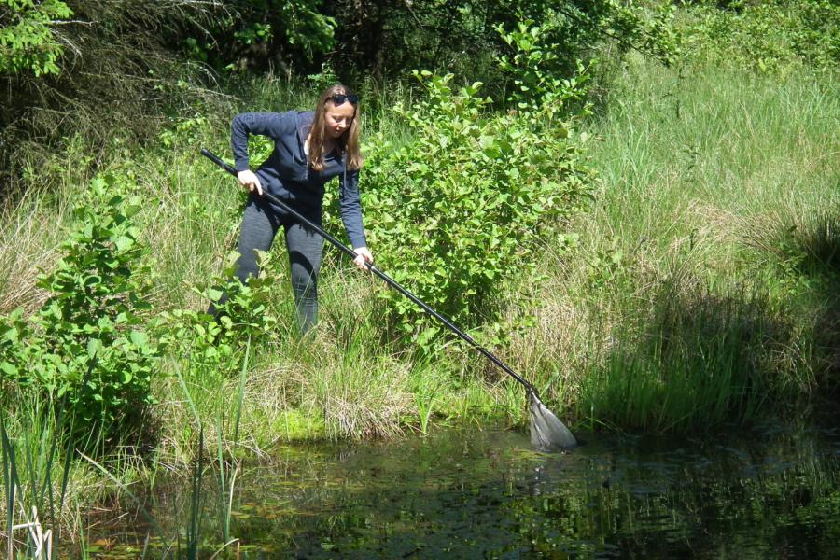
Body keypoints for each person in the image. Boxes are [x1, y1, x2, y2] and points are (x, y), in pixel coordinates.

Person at [214, 84, 373, 334]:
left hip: (305, 215)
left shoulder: (347, 153)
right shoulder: (291, 124)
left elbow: (350, 201)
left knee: (306, 281)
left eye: (347, 120)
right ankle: (213, 333)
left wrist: (359, 245)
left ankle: (305, 350)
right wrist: (243, 168)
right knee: (245, 271)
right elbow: (242, 122)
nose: (341, 125)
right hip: (266, 202)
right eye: (336, 118)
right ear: (323, 110)